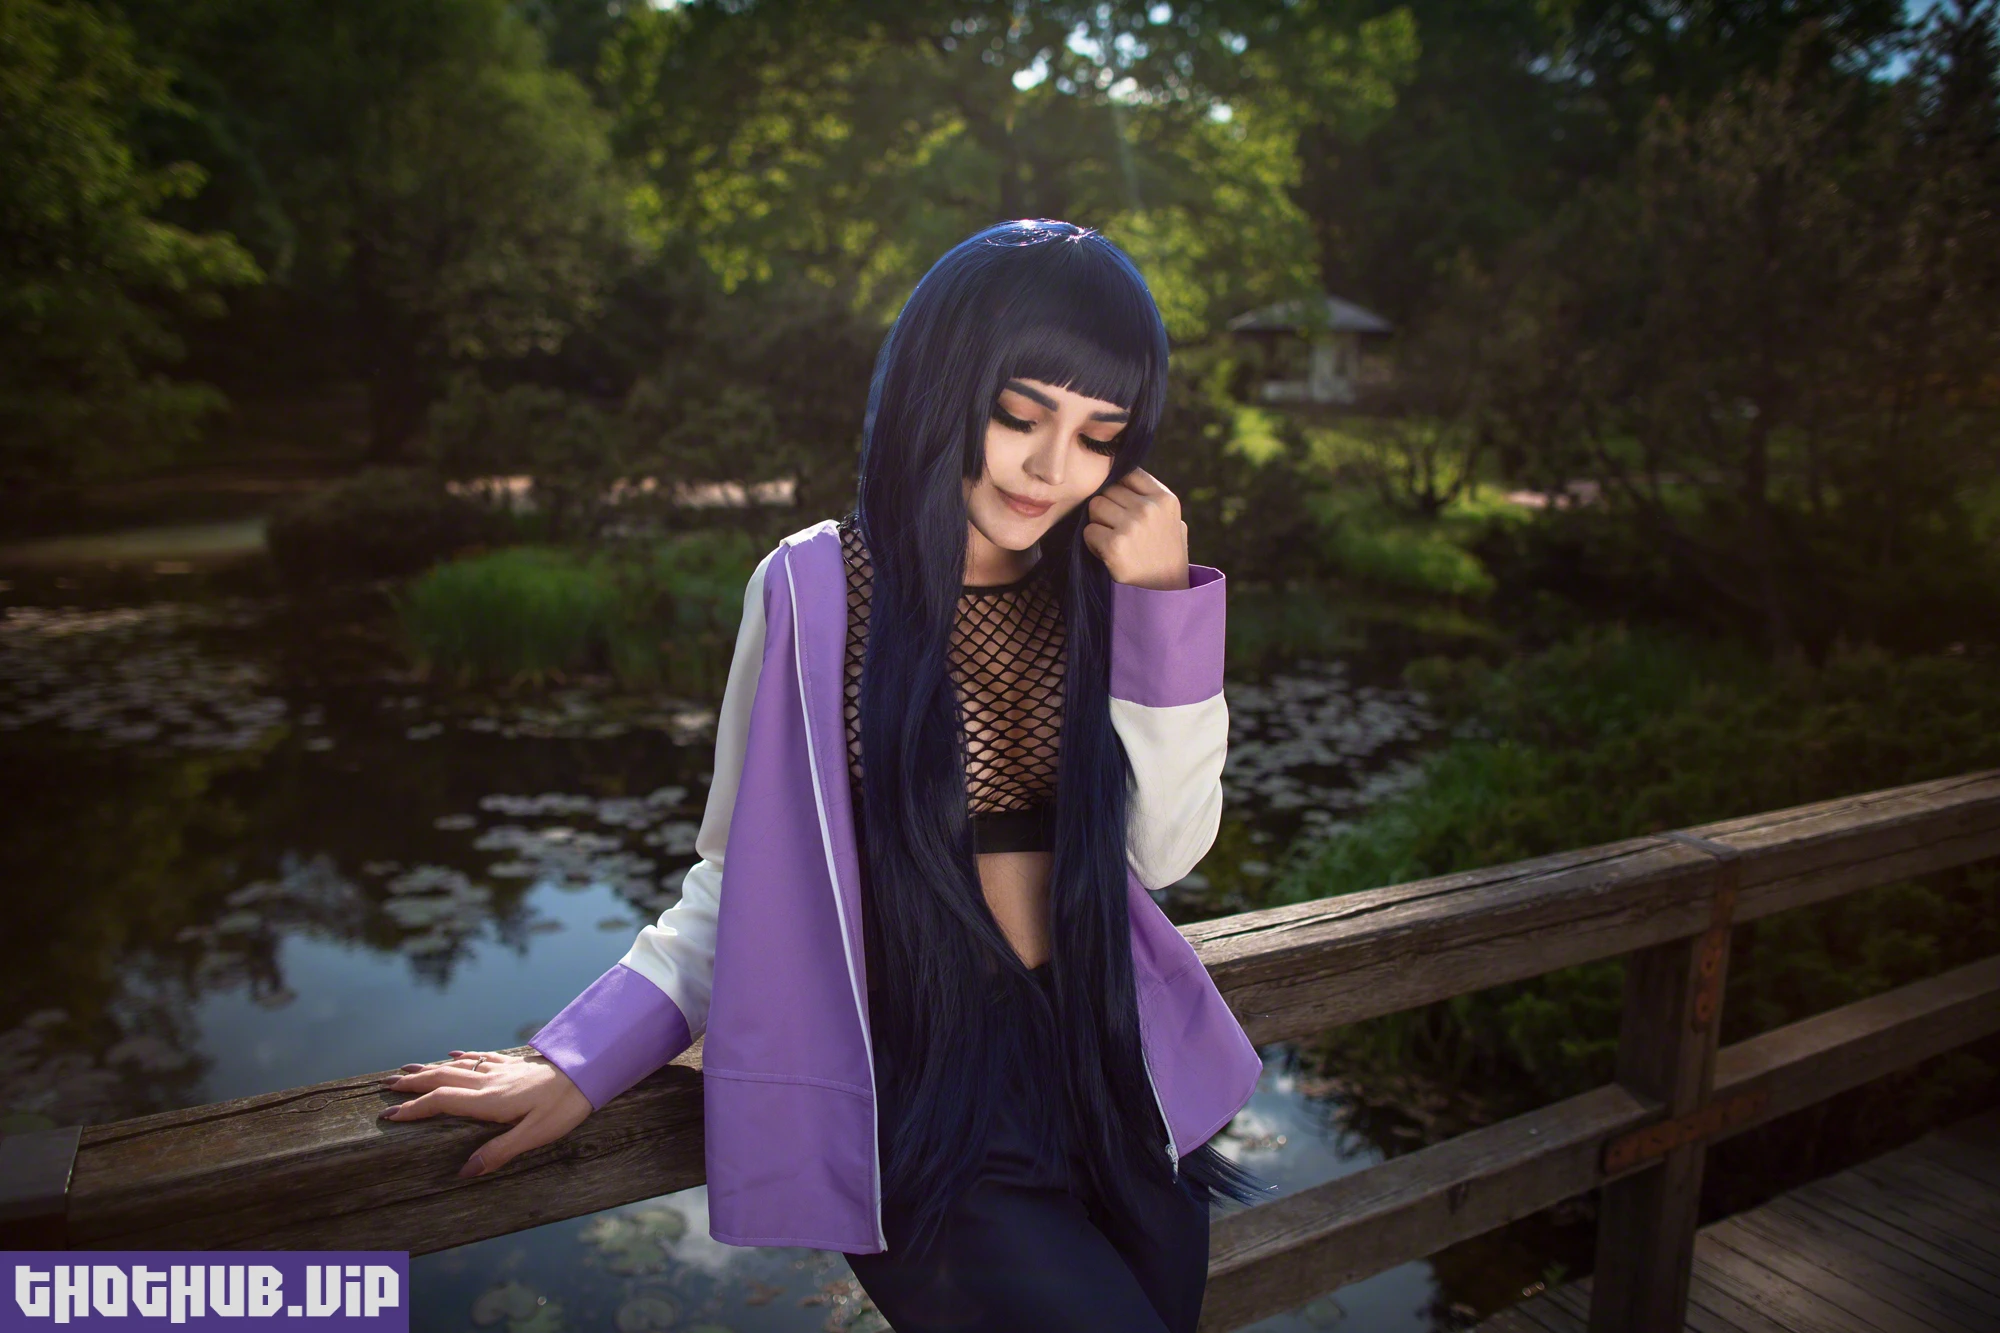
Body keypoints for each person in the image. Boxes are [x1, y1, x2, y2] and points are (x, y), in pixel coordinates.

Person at [376, 219, 1270, 1332]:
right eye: (1018, 414)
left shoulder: (1104, 592)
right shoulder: (814, 589)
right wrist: (583, 1057)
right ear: (944, 386)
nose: (1053, 468)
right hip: (931, 1103)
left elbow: (1164, 854)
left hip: (1119, 1084)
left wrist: (1161, 607)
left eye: (1098, 435)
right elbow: (738, 881)